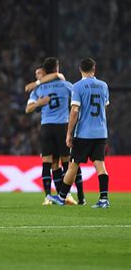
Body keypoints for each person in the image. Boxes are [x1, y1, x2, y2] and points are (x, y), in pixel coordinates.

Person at [49, 58, 110, 208]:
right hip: (101, 132)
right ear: (94, 68)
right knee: (100, 164)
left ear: (79, 69)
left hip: (84, 133)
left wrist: (69, 133)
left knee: (73, 164)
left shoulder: (77, 86)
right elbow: (104, 108)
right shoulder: (103, 85)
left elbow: (75, 110)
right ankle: (103, 199)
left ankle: (62, 197)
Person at [25, 59, 83, 205]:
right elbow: (78, 99)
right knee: (67, 163)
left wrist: (39, 102)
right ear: (56, 68)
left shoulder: (39, 89)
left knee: (48, 163)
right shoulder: (65, 84)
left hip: (46, 127)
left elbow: (28, 109)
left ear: (44, 71)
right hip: (62, 126)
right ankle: (67, 195)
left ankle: (48, 197)